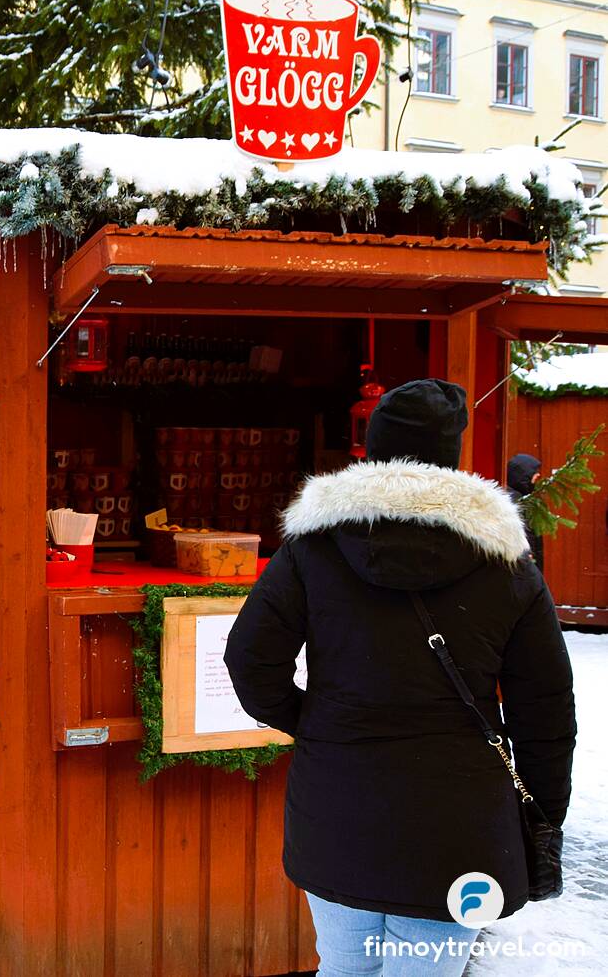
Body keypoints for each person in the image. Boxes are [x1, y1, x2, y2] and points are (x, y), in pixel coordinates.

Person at [224, 379, 576, 977]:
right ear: (452, 454)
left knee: (343, 967)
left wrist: (316, 722)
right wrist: (544, 812)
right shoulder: (505, 559)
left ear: (373, 447)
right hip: (460, 816)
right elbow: (544, 708)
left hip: (337, 801)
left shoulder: (315, 545)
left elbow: (250, 662)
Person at [506, 453, 544, 572]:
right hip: (523, 565)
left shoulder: (523, 498)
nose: (538, 475)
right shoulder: (514, 501)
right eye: (534, 472)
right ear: (523, 475)